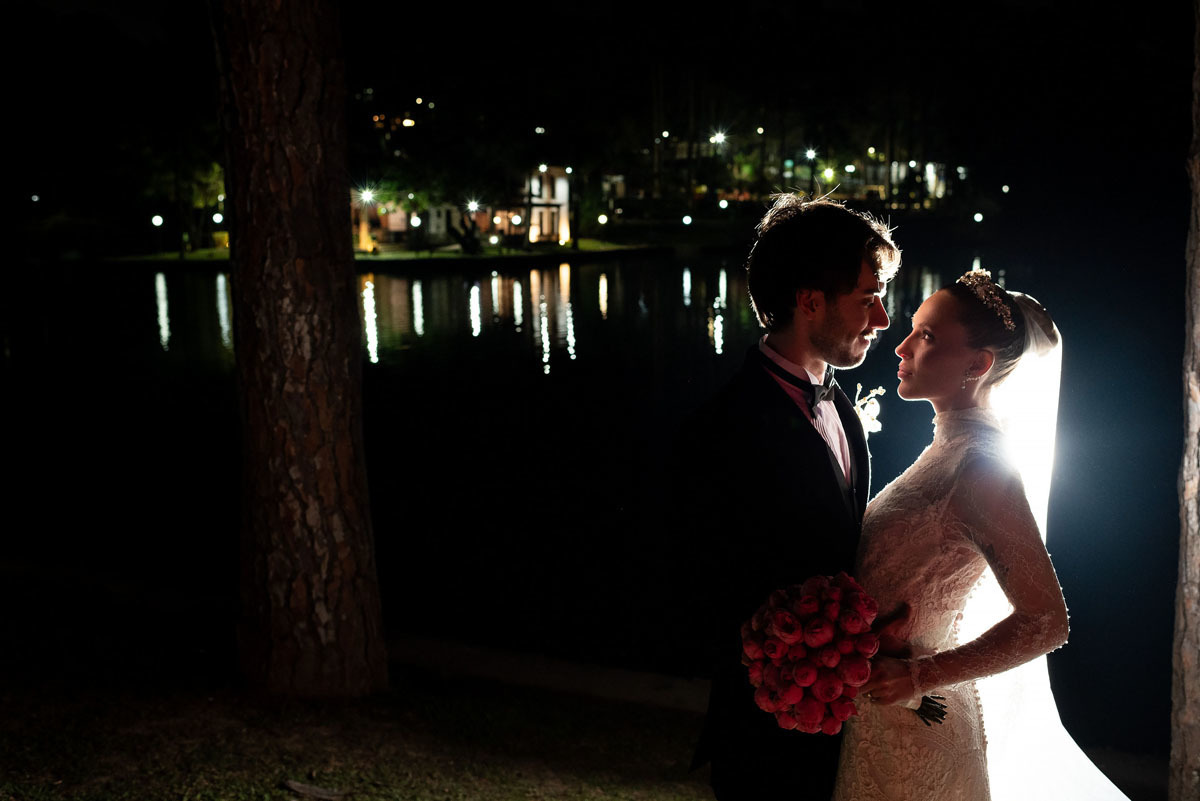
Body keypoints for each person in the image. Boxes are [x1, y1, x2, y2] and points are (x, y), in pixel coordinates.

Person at [833, 270, 1129, 801]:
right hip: (879, 714)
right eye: (913, 328)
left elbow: (1046, 622)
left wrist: (919, 677)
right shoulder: (946, 451)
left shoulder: (981, 468)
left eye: (926, 336)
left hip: (920, 724)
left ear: (977, 364)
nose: (900, 345)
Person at [678, 193, 899, 801]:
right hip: (763, 728)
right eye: (868, 297)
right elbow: (696, 584)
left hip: (843, 720)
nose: (882, 319)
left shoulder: (845, 410)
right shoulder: (722, 428)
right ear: (809, 301)